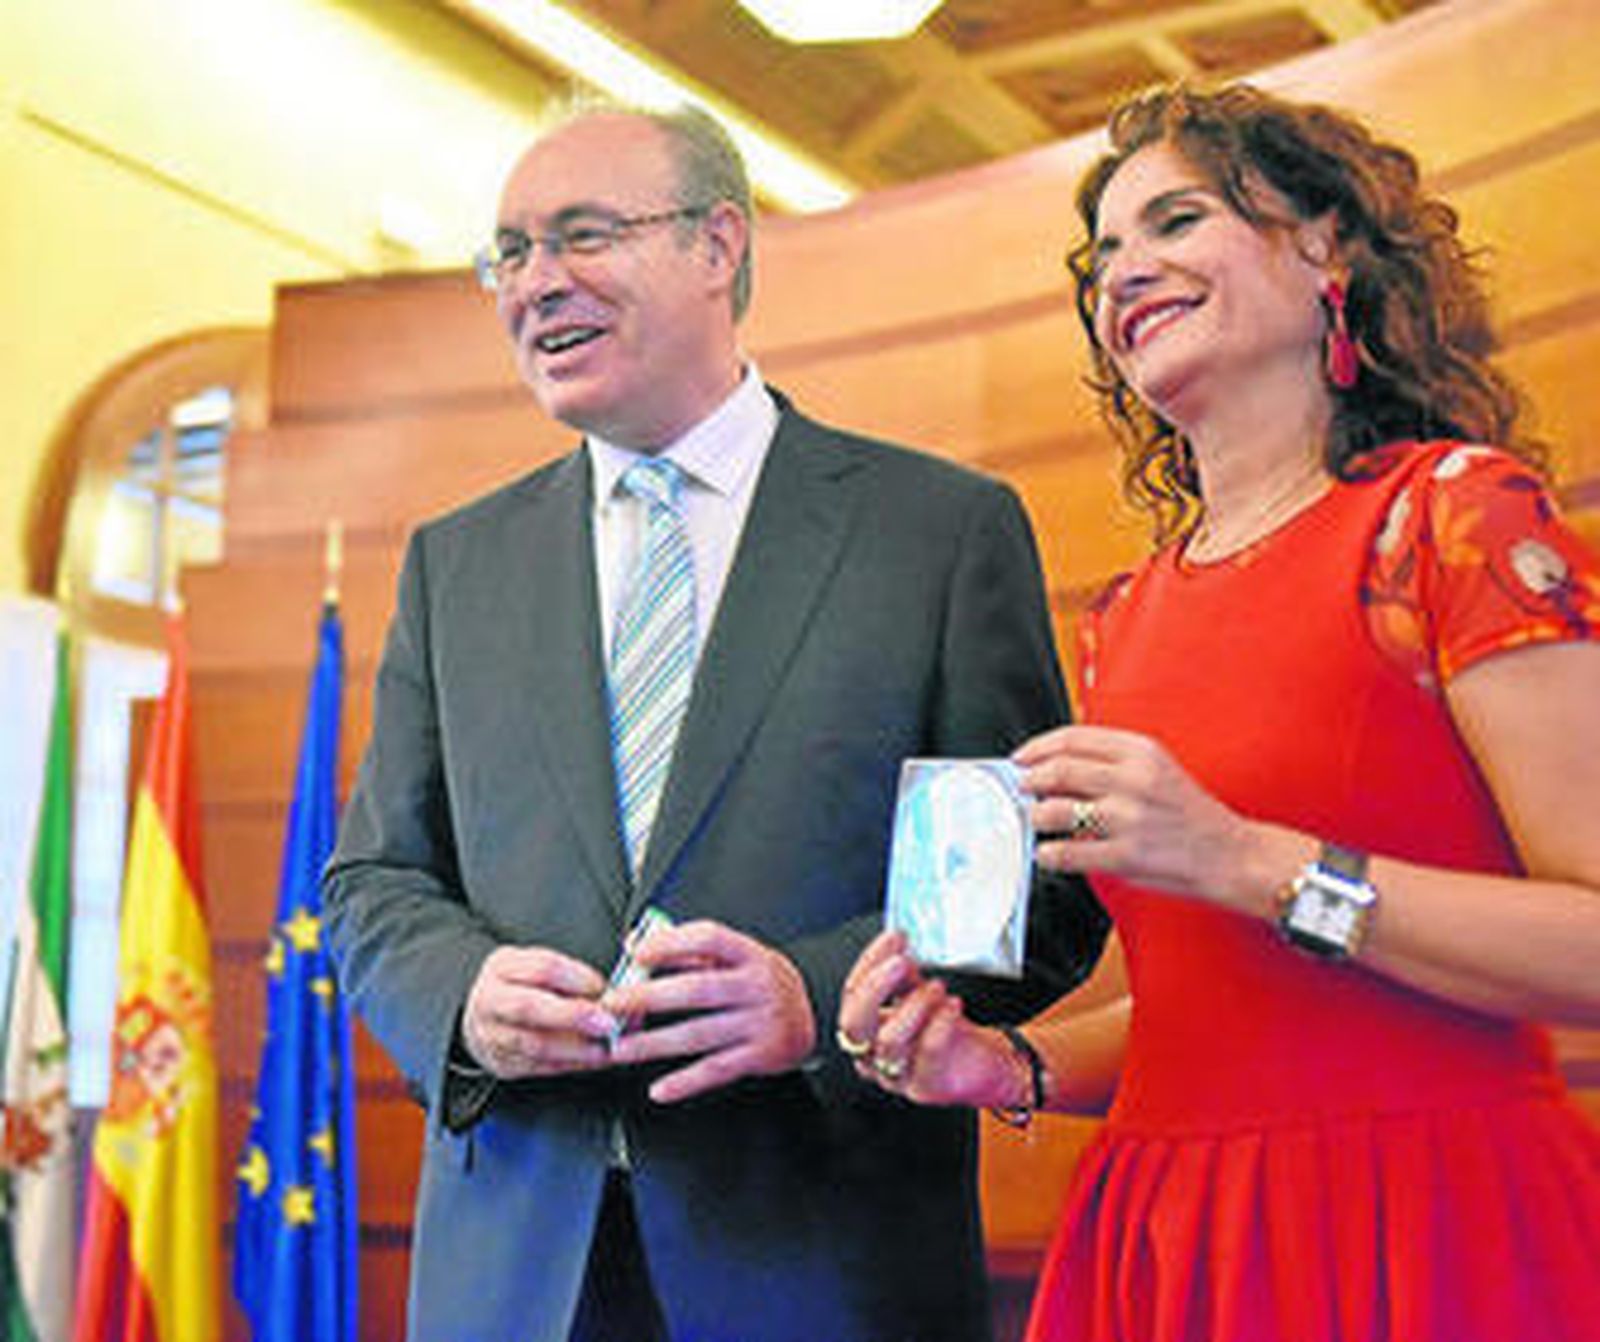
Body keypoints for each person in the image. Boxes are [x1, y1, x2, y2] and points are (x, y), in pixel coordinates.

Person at [323, 101, 1109, 1342]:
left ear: (718, 245)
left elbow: (1037, 900)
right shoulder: (453, 565)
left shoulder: (937, 535)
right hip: (515, 1279)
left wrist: (813, 996)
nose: (538, 282)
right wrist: (465, 996)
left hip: (827, 1265)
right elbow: (373, 881)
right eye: (509, 254)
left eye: (582, 234)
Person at [840, 82, 1600, 1341]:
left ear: (1326, 249)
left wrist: (1248, 857)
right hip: (1167, 1236)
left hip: (1422, 1228)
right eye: (1103, 256)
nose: (1122, 272)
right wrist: (1004, 1064)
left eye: (1175, 221)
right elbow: (1214, 1009)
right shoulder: (1127, 610)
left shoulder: (1453, 516)